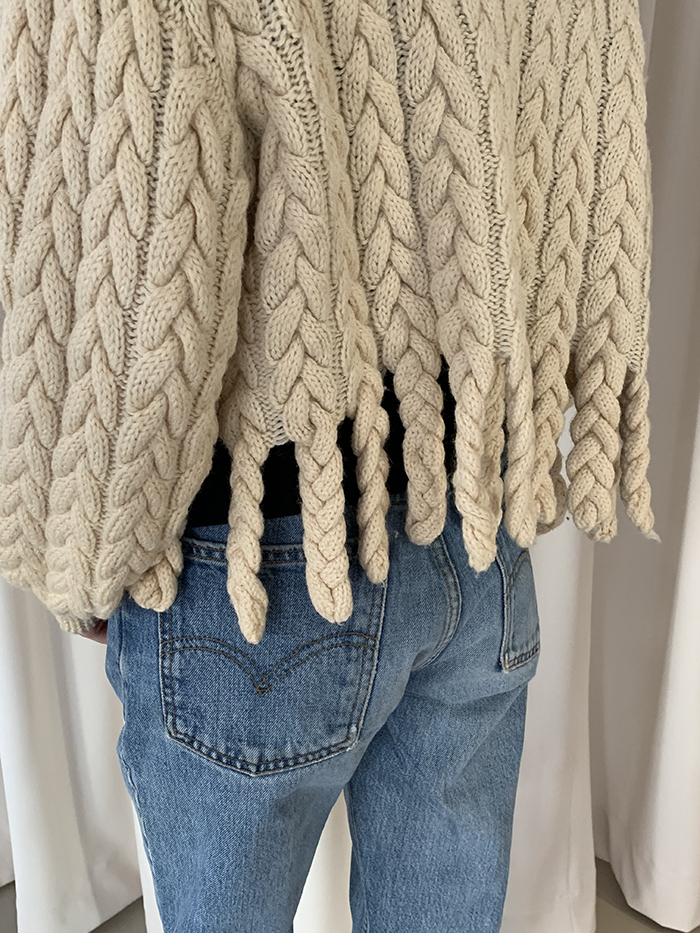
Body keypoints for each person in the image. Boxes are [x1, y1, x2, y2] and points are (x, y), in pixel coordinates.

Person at [0, 0, 657, 930]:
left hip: (257, 566)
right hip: (474, 524)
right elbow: (594, 82)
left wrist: (89, 554)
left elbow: (137, 247)